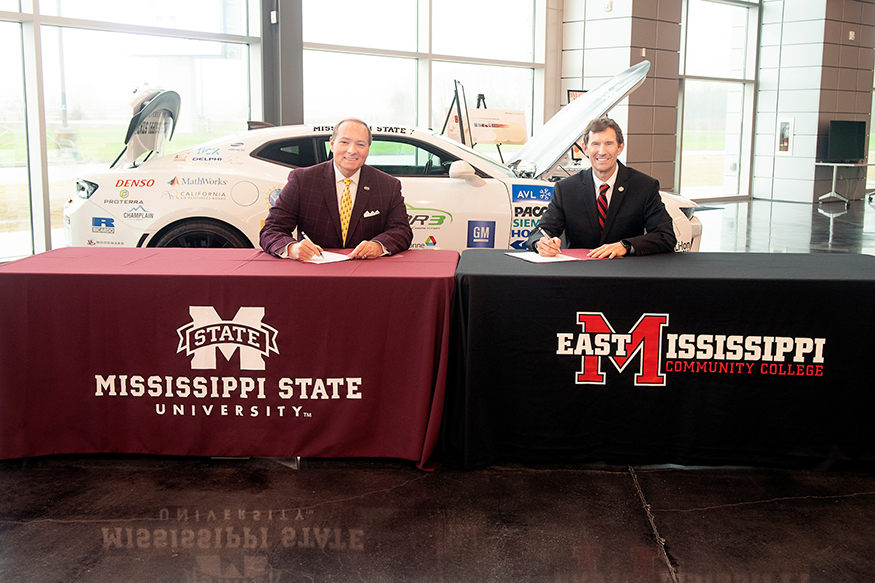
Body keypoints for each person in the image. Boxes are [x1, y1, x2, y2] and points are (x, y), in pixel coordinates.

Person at [260, 118, 413, 260]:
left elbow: (401, 231)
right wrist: (292, 248)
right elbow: (271, 230)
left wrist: (378, 246)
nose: (352, 150)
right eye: (345, 142)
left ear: (368, 149)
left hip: (367, 272)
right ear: (332, 144)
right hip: (315, 272)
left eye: (360, 144)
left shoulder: (388, 185)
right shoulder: (303, 180)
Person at [526, 117, 676, 259]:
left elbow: (665, 236)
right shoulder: (566, 189)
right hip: (578, 275)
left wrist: (625, 246)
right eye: (595, 144)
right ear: (585, 148)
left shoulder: (644, 186)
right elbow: (541, 232)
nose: (602, 151)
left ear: (620, 147)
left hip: (626, 274)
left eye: (609, 144)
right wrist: (541, 243)